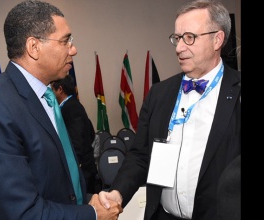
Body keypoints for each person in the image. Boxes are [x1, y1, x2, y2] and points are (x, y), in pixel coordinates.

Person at [0, 1, 122, 219]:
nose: (74, 49)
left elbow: (52, 179)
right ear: (34, 47)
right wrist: (92, 214)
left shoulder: (46, 97)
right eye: (66, 41)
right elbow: (20, 212)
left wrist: (86, 199)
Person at [95, 0, 241, 220]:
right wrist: (118, 192)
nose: (180, 47)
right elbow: (140, 155)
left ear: (217, 39)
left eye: (189, 37)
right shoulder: (160, 93)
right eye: (177, 38)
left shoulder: (237, 92)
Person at [51, 74, 101, 194]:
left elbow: (76, 141)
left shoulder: (72, 108)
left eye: (52, 89)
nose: (50, 92)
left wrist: (71, 168)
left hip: (82, 170)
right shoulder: (69, 106)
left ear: (60, 89)